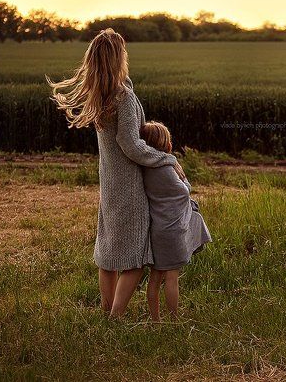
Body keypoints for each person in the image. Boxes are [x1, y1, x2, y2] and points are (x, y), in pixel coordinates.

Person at [47, 29, 185, 317]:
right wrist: (166, 158)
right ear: (118, 58)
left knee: (108, 256)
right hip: (129, 185)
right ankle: (115, 318)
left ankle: (106, 312)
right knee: (133, 261)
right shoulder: (122, 96)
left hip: (109, 183)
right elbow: (131, 145)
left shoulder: (104, 93)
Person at [140, 121, 212, 321]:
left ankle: (155, 320)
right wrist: (183, 175)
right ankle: (173, 319)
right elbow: (183, 191)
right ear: (165, 142)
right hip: (171, 230)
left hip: (157, 229)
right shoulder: (164, 166)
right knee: (171, 277)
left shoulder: (146, 166)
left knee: (155, 278)